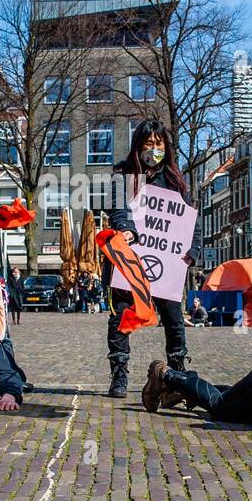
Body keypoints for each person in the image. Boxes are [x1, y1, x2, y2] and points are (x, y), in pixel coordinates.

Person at [104, 120, 202, 397]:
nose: (154, 149)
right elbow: (118, 210)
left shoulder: (175, 180)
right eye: (149, 143)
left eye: (159, 143)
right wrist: (127, 229)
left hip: (168, 264)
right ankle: (119, 374)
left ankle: (177, 374)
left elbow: (191, 221)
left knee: (174, 320)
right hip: (130, 261)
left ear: (166, 147)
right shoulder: (122, 175)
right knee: (121, 316)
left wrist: (192, 252)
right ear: (139, 144)